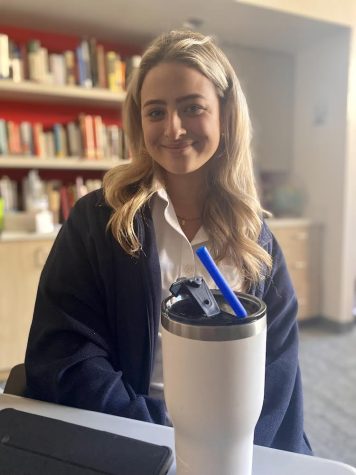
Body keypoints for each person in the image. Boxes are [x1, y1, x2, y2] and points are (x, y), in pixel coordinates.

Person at [25, 30, 312, 455]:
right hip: (129, 440)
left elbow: (278, 380)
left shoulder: (258, 243)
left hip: (235, 451)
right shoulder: (99, 221)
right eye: (155, 112)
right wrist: (164, 438)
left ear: (225, 114)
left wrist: (230, 450)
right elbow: (66, 355)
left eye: (192, 108)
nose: (173, 129)